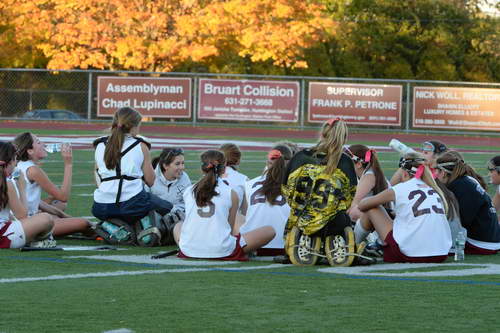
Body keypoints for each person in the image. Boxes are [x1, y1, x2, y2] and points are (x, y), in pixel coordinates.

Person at [281, 118, 364, 266]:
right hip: (334, 223)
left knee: (299, 218)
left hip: (300, 219)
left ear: (322, 133)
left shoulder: (300, 157)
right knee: (343, 219)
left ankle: (306, 238)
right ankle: (335, 241)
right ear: (343, 138)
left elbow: (286, 189)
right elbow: (349, 197)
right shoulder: (345, 161)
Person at [174, 150, 275, 261]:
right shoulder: (231, 193)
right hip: (221, 250)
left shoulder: (188, 191)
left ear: (202, 168)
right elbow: (230, 230)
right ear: (223, 168)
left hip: (189, 249)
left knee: (178, 225)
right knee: (270, 230)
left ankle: (188, 245)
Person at [92, 107, 173, 245]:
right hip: (132, 204)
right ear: (134, 126)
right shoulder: (141, 145)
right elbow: (151, 181)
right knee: (168, 208)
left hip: (101, 207)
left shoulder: (100, 145)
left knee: (125, 209)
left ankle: (115, 227)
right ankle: (144, 228)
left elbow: (97, 176)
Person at [356, 153, 452, 263]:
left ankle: (353, 246)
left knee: (372, 208)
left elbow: (362, 205)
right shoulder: (433, 190)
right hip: (441, 253)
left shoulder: (401, 188)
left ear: (404, 173)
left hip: (412, 253)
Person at [13, 132, 90, 237]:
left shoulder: (20, 165)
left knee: (60, 206)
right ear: (30, 151)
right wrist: (68, 164)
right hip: (24, 224)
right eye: (39, 142)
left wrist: (62, 215)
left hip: (19, 217)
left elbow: (36, 201)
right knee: (83, 223)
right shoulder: (33, 170)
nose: (44, 144)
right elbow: (63, 196)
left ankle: (57, 222)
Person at [435, 151, 500, 254]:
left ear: (443, 173)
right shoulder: (464, 181)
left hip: (481, 243)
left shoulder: (460, 185)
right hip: (489, 239)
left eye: (437, 171)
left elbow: (462, 221)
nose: (435, 175)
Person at [238, 144, 292, 256]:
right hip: (286, 247)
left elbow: (246, 214)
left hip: (252, 246)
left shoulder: (249, 184)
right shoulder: (297, 184)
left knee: (237, 217)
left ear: (267, 163)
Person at [0, 141, 54, 249]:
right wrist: (22, 187)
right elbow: (22, 215)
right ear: (9, 161)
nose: (15, 164)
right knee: (46, 219)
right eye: (14, 159)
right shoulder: (7, 183)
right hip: (4, 236)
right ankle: (35, 240)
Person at [148, 147, 191, 244]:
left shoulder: (185, 178)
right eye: (177, 164)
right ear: (165, 166)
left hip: (177, 218)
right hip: (155, 218)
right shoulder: (151, 177)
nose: (182, 167)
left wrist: (176, 212)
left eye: (182, 163)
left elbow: (188, 204)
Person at [219, 143, 249, 211]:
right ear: (238, 161)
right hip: (233, 220)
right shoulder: (244, 180)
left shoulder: (208, 177)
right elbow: (245, 211)